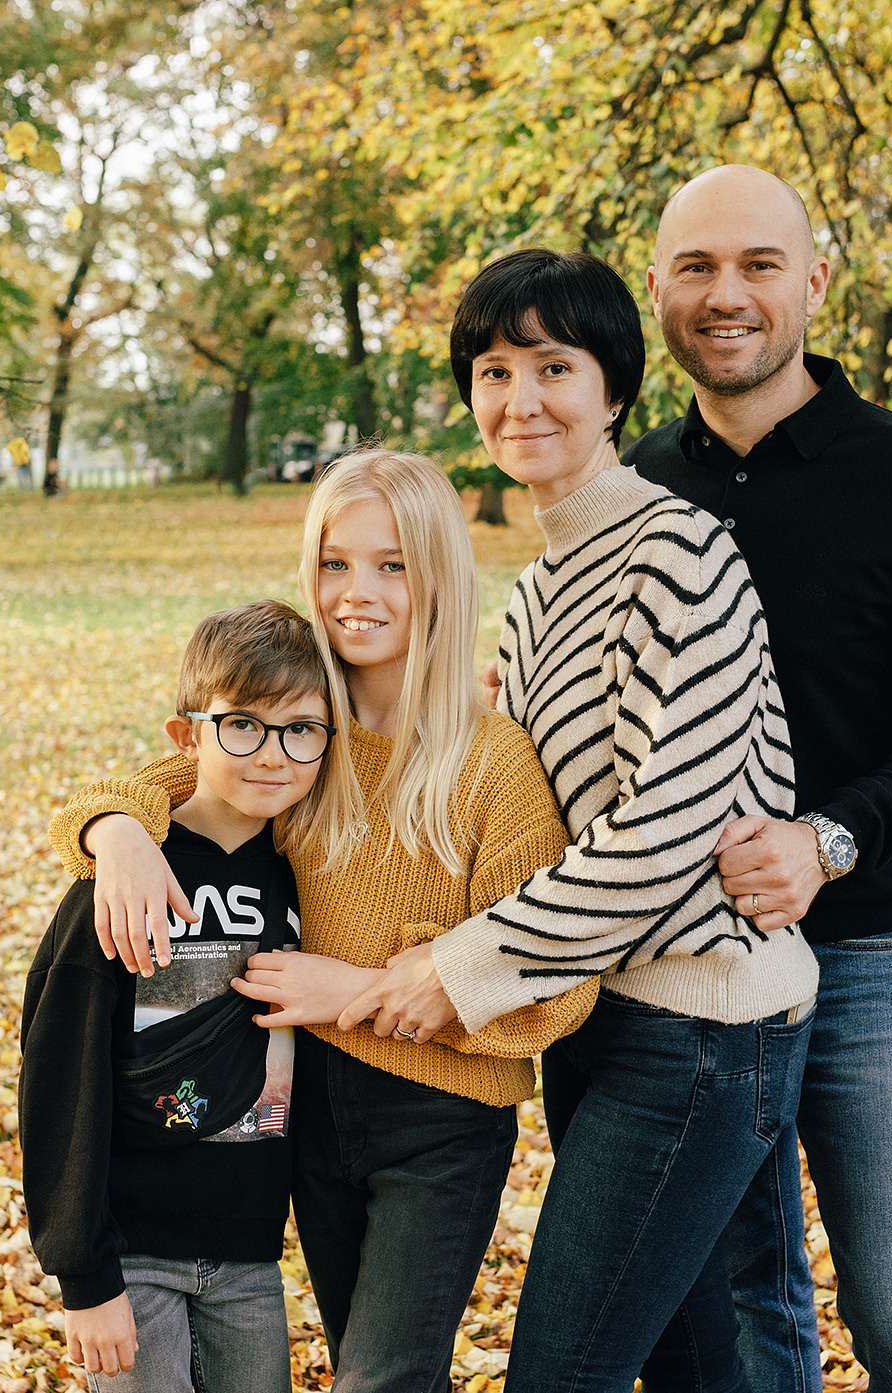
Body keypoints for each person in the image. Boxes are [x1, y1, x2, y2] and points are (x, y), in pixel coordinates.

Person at [340, 248, 815, 1393]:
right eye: (493, 370)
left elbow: (658, 839)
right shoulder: (547, 583)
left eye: (554, 366)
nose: (520, 398)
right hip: (601, 1019)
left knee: (561, 1372)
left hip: (701, 1028)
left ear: (614, 390)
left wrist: (459, 968)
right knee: (696, 1371)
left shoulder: (680, 551)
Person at [47, 450, 597, 1393]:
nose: (357, 592)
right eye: (336, 563)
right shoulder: (307, 733)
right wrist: (119, 831)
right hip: (311, 1115)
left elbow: (557, 986)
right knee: (360, 1365)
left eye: (393, 565)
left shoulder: (494, 764)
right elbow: (181, 771)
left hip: (441, 1122)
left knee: (377, 1381)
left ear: (441, 578)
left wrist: (365, 992)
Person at [627, 165, 892, 1393]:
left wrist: (827, 839)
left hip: (858, 955)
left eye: (754, 265)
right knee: (750, 1307)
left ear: (814, 281)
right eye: (695, 267)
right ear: (656, 290)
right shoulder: (632, 485)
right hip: (691, 964)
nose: (724, 294)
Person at [19, 601, 333, 1390]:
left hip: (252, 1256)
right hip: (133, 1255)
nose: (273, 753)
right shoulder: (127, 877)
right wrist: (84, 1277)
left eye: (301, 728)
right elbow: (58, 1075)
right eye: (242, 725)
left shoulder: (309, 871)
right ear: (186, 734)